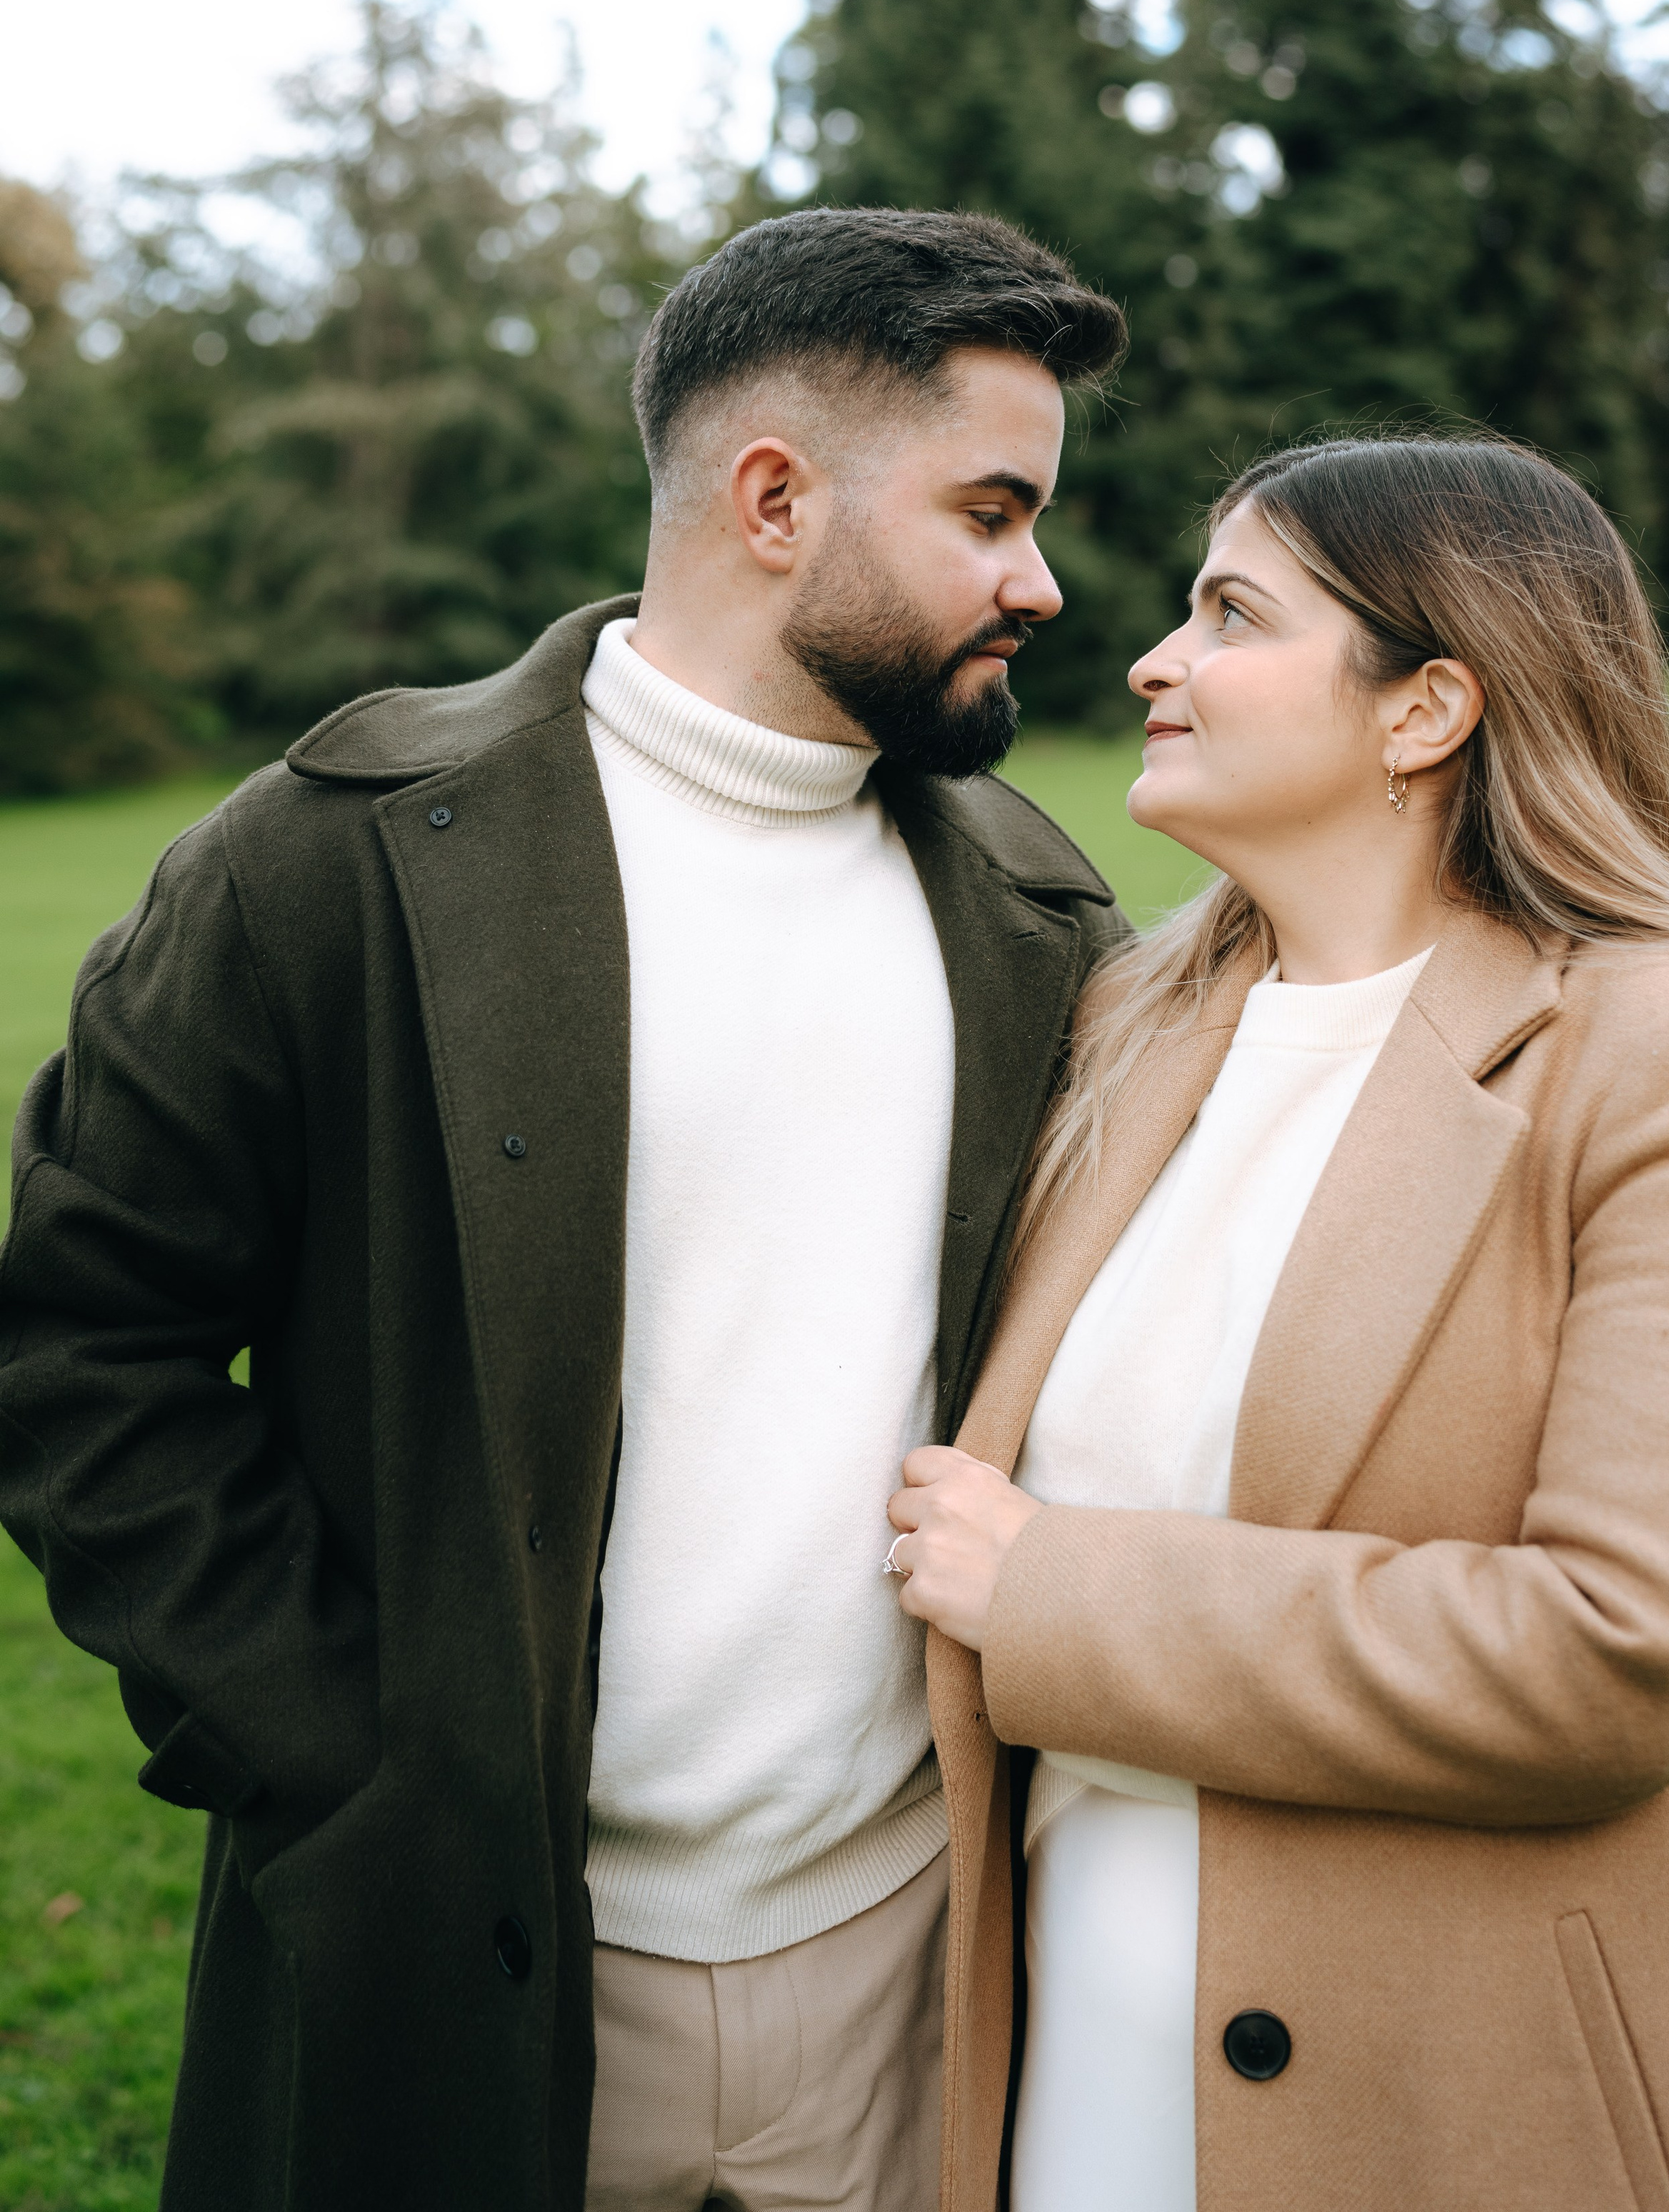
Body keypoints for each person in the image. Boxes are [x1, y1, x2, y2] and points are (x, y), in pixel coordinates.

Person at [0, 207, 1130, 2212]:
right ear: (775, 497)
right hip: (461, 1962)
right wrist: (348, 1769)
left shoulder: (1040, 915)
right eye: (991, 510)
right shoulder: (316, 868)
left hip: (908, 1968)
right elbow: (82, 1349)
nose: (1040, 582)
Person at [887, 433, 1669, 2212]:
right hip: (1067, 2080)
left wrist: (1049, 1592)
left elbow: (1622, 1650)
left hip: (1475, 2101)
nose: (1153, 657)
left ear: (1425, 711)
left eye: (1231, 613)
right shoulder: (1118, 1033)